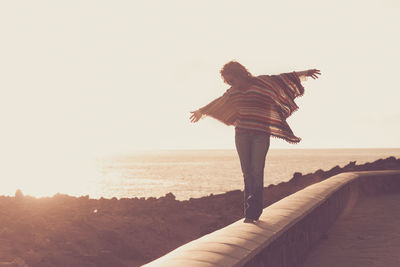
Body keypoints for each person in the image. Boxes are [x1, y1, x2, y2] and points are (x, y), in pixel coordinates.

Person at [190, 61, 321, 223]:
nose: (231, 84)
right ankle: (249, 212)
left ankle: (254, 212)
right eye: (228, 82)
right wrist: (201, 111)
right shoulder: (232, 92)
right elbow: (217, 102)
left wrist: (305, 72)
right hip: (242, 135)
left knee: (257, 171)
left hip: (261, 135)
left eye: (232, 80)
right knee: (247, 173)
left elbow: (284, 78)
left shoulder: (263, 82)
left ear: (240, 74)